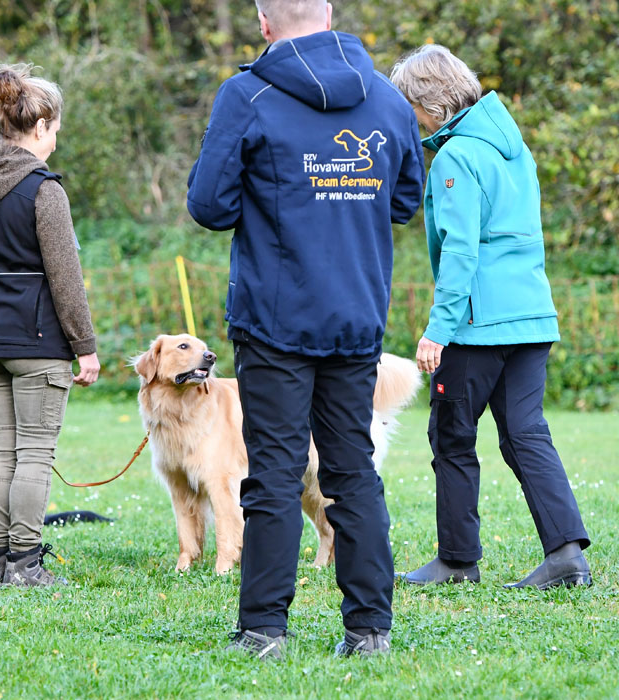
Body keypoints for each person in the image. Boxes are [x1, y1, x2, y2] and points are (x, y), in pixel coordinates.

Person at [187, 0, 426, 658]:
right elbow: (405, 199)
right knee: (352, 471)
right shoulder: (385, 98)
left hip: (274, 316)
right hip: (355, 311)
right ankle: (369, 632)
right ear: (329, 13)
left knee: (273, 472)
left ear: (265, 23)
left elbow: (209, 204)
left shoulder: (247, 93)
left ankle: (264, 631)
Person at [389, 44, 592, 589]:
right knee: (526, 433)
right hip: (531, 316)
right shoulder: (512, 147)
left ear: (429, 102)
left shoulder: (457, 157)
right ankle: (566, 554)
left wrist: (438, 328)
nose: (409, 117)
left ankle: (457, 560)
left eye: (409, 105)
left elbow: (462, 251)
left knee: (451, 435)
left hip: (478, 325)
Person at [0, 63, 100, 588]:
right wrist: (85, 346)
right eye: (55, 129)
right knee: (34, 454)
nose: (56, 140)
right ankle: (26, 565)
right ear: (38, 127)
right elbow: (66, 277)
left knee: (0, 449)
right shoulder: (45, 191)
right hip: (38, 339)